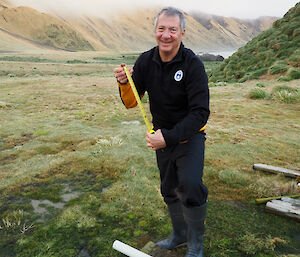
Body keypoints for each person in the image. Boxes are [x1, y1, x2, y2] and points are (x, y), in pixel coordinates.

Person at [113, 7, 210, 257]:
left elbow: (200, 113)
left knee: (190, 185)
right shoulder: (146, 61)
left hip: (189, 137)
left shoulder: (193, 65)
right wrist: (124, 83)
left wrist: (167, 137)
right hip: (161, 138)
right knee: (169, 188)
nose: (166, 35)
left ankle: (195, 244)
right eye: (161, 29)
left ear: (182, 33)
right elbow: (132, 102)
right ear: (155, 31)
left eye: (172, 30)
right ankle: (178, 235)